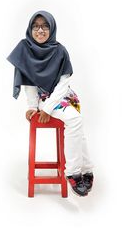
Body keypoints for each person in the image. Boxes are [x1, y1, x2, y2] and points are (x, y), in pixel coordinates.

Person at [7, 10, 94, 196]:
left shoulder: (59, 50)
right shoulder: (24, 48)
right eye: (36, 26)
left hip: (61, 96)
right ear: (30, 28)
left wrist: (48, 108)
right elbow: (28, 80)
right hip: (42, 98)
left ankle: (86, 169)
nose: (40, 30)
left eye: (45, 26)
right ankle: (73, 173)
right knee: (76, 121)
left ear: (52, 28)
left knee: (76, 124)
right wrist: (33, 106)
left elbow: (64, 84)